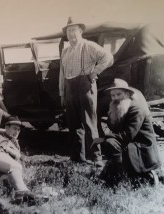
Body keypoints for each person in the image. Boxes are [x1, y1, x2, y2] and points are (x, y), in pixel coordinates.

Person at [59, 17, 114, 166]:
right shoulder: (65, 52)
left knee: (91, 124)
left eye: (74, 30)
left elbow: (108, 58)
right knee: (74, 125)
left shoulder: (89, 46)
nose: (71, 33)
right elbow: (62, 74)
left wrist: (95, 72)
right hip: (70, 89)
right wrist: (63, 94)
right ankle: (77, 158)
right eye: (69, 30)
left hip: (85, 88)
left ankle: (97, 158)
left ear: (81, 31)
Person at [93, 79, 161, 186]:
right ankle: (118, 175)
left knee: (112, 143)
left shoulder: (136, 109)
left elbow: (127, 135)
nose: (115, 98)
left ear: (127, 94)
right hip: (129, 142)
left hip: (141, 146)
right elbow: (111, 126)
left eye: (118, 94)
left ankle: (120, 179)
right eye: (113, 95)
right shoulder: (117, 107)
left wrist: (106, 137)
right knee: (108, 143)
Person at [0, 116, 44, 204]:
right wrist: (7, 149)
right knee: (16, 166)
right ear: (6, 127)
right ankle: (22, 193)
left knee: (7, 182)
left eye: (18, 130)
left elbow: (18, 157)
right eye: (14, 128)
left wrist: (16, 153)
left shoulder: (15, 144)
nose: (17, 132)